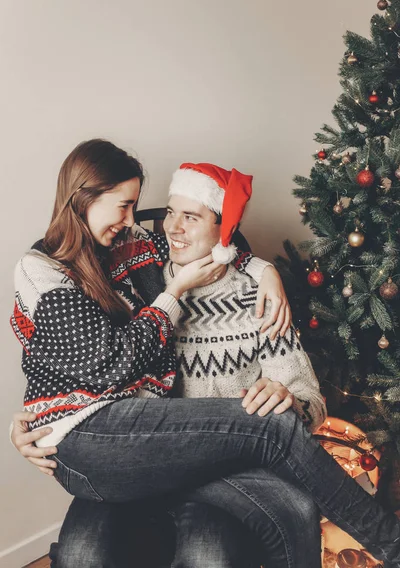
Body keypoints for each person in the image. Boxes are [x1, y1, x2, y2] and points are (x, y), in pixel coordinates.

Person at [10, 142, 400, 568]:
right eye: (164, 214)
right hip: (111, 442)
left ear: (222, 230)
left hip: (187, 456)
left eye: (189, 217)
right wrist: (32, 420)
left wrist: (263, 271)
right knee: (83, 553)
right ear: (83, 197)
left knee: (265, 518)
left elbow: (305, 392)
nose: (169, 228)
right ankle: (391, 545)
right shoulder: (95, 272)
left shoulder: (137, 255)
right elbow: (93, 362)